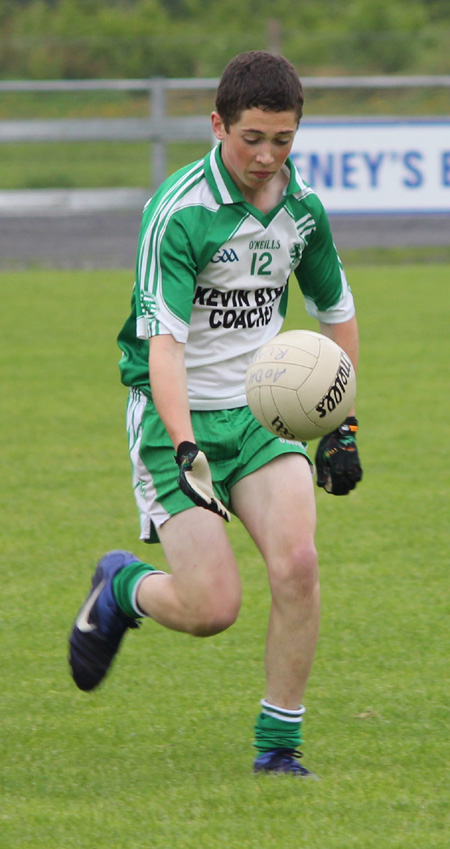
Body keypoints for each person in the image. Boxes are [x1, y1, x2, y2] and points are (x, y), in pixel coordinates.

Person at [69, 50, 362, 776]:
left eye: (283, 140)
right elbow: (163, 346)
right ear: (216, 125)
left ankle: (279, 747)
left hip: (263, 416)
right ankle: (121, 586)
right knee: (211, 607)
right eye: (251, 138)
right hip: (179, 416)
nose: (266, 157)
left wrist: (342, 423)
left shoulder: (302, 212)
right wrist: (185, 445)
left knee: (297, 562)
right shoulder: (180, 213)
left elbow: (338, 316)